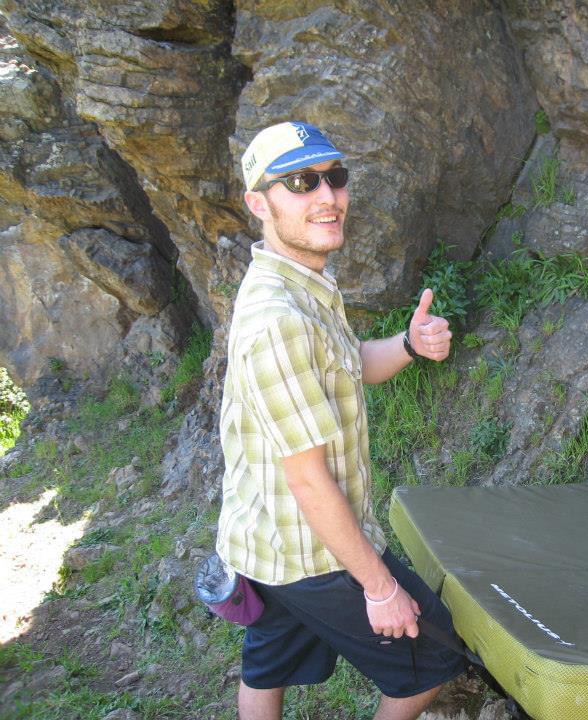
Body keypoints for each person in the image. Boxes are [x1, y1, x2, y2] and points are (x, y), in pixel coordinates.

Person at [216, 121, 464, 720]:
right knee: (433, 656)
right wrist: (380, 590)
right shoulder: (278, 318)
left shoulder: (303, 283)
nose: (327, 197)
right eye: (301, 182)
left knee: (267, 664)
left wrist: (407, 344)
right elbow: (309, 480)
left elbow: (350, 366)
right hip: (311, 555)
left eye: (335, 178)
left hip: (263, 541)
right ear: (259, 203)